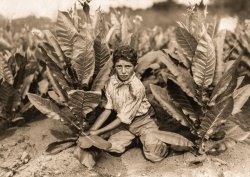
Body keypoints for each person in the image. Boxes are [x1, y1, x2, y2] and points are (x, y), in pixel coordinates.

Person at [74, 45, 169, 168]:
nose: (123, 71)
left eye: (128, 66)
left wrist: (97, 132)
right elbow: (108, 109)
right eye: (119, 66)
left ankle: (152, 139)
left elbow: (121, 118)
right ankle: (135, 140)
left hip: (144, 122)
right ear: (114, 67)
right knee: (112, 147)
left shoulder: (137, 87)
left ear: (134, 66)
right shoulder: (110, 82)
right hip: (126, 125)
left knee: (154, 155)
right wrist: (92, 130)